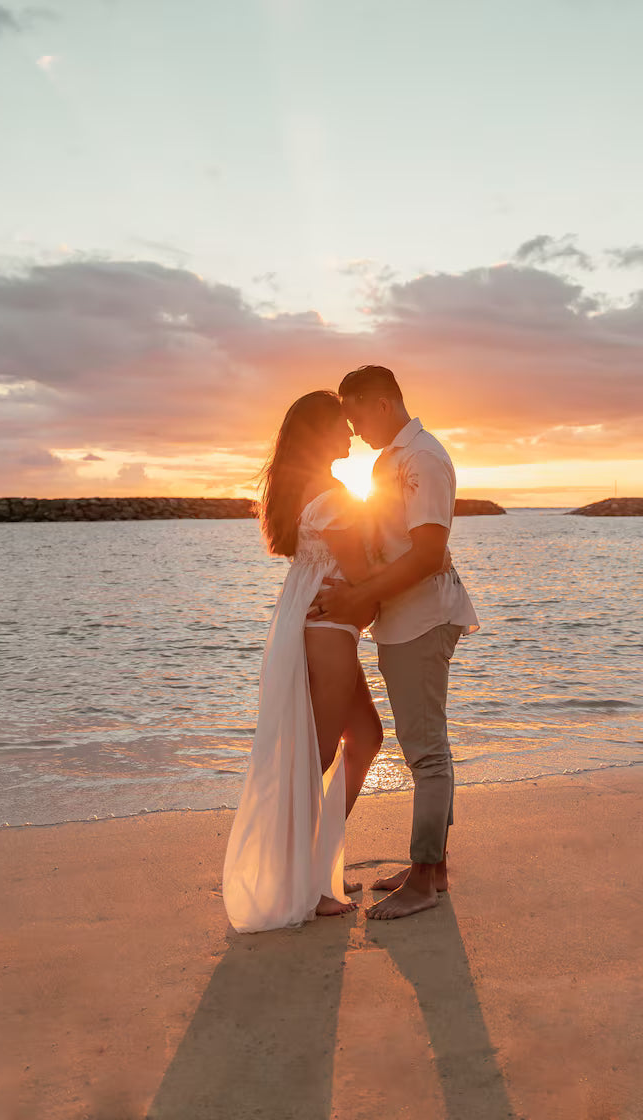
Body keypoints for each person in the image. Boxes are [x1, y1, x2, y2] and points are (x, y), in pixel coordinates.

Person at [309, 366, 479, 920]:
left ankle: (424, 882)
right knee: (427, 745)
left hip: (423, 618)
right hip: (403, 617)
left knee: (426, 751)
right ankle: (434, 869)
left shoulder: (423, 458)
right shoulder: (390, 461)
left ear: (381, 403)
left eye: (355, 414)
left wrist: (360, 602)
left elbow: (429, 553)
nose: (353, 430)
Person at [222, 390, 384, 933]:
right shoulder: (333, 497)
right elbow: (361, 574)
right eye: (341, 425)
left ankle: (319, 868)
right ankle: (305, 887)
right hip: (329, 630)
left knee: (366, 737)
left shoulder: (312, 493)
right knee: (312, 757)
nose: (350, 433)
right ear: (320, 433)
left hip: (318, 626)